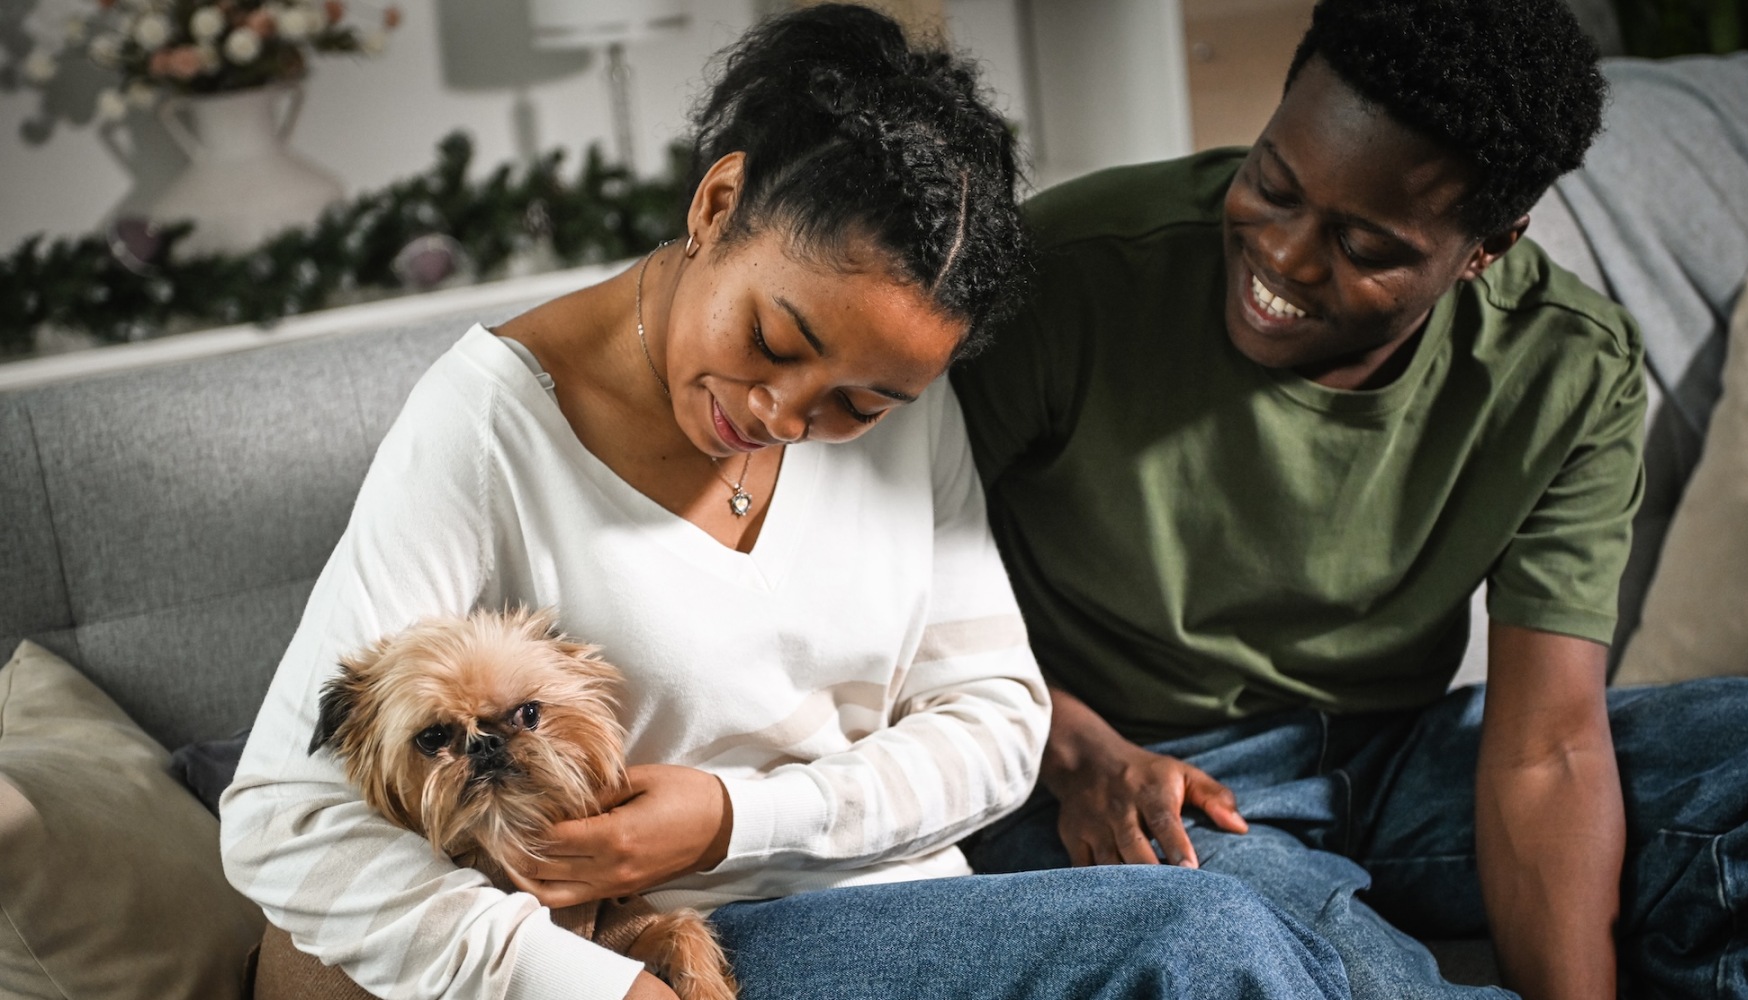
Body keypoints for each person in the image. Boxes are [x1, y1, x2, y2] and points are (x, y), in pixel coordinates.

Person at [219, 6, 1354, 1000]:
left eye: (860, 401)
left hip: (925, 898)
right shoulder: (486, 427)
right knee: (1205, 935)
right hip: (692, 939)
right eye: (772, 339)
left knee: (1324, 938)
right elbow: (285, 822)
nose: (783, 416)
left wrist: (734, 816)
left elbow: (997, 725)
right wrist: (585, 984)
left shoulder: (912, 410)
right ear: (718, 203)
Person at [951, 1, 1748, 999]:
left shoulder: (1566, 368)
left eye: (1364, 245)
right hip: (1137, 774)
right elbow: (883, 604)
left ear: (1485, 248)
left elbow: (1547, 749)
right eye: (1273, 183)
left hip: (1398, 759)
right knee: (1262, 949)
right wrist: (1076, 753)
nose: (1286, 257)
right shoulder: (1068, 274)